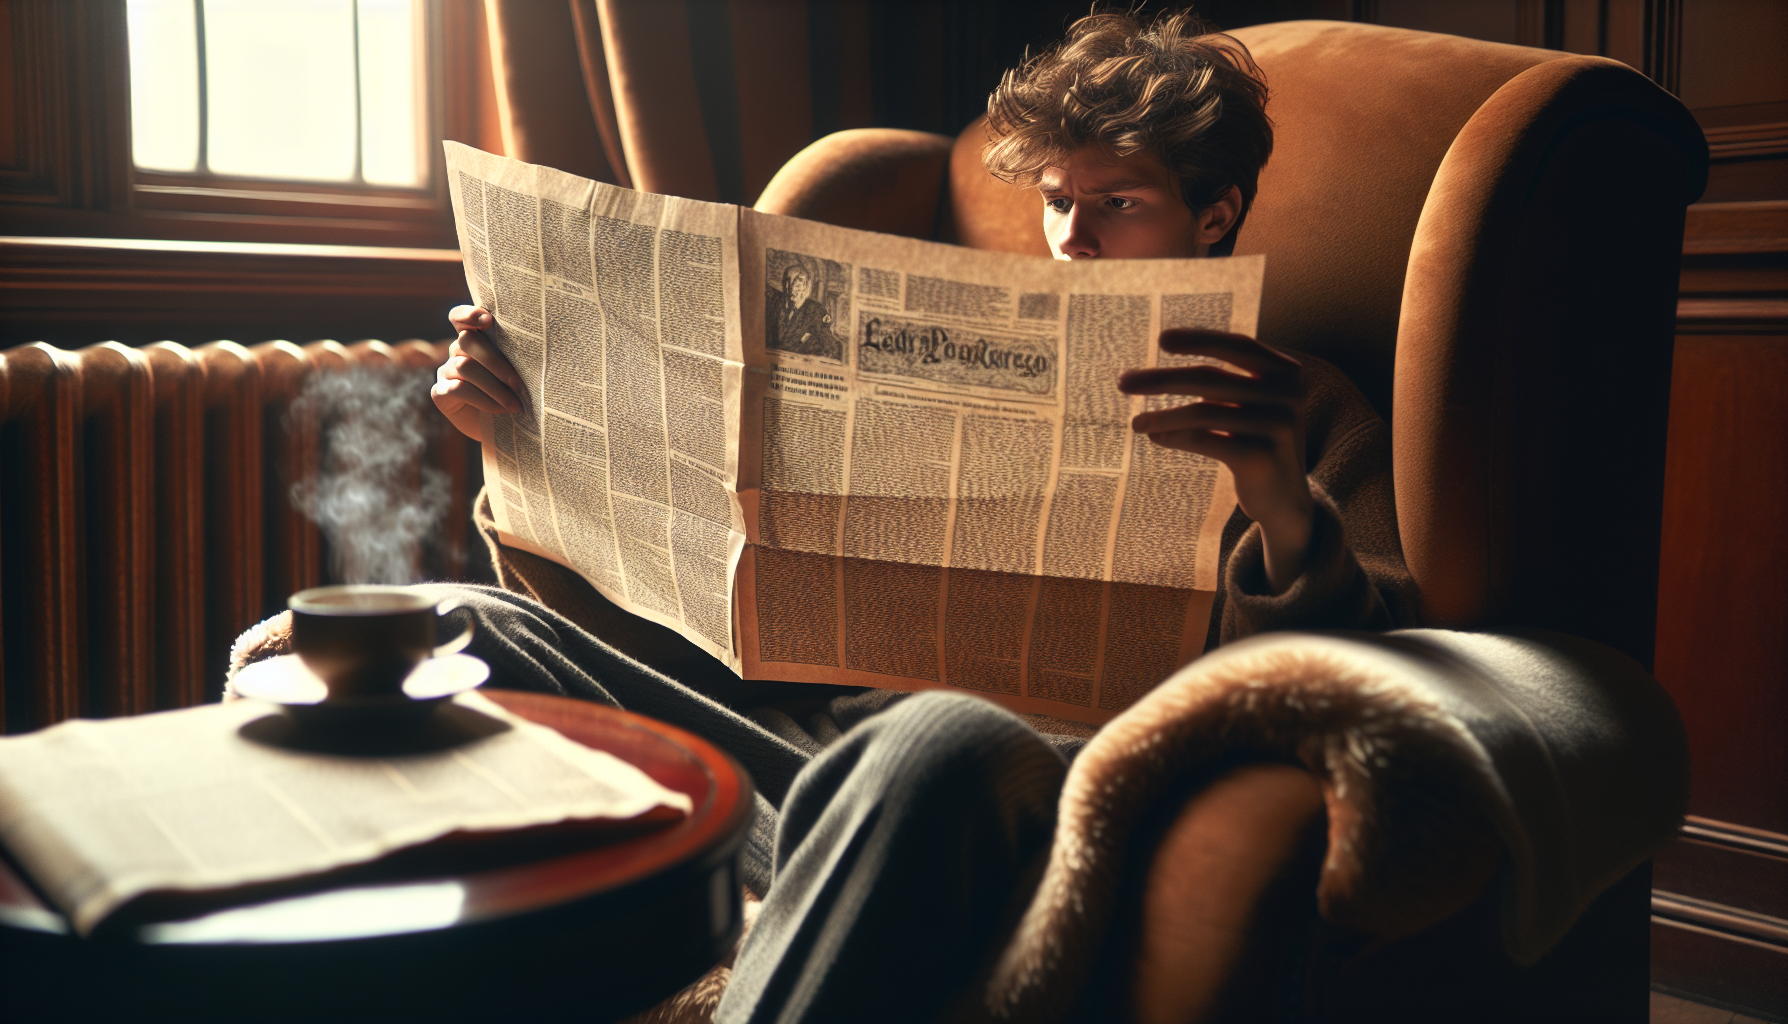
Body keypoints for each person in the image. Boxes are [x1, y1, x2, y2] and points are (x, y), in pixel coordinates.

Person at [428, 11, 1415, 1022]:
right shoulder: (971, 350)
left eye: (1116, 203)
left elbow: (1386, 652)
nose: (1073, 238)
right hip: (799, 763)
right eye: (1055, 201)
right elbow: (675, 631)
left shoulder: (1305, 404)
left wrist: (1281, 507)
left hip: (1002, 785)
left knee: (939, 736)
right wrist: (517, 442)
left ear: (1214, 214)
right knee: (449, 626)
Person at [766, 261, 842, 359]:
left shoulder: (815, 311)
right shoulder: (775, 304)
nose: (791, 289)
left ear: (806, 288)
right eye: (788, 282)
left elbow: (831, 348)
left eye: (797, 286)